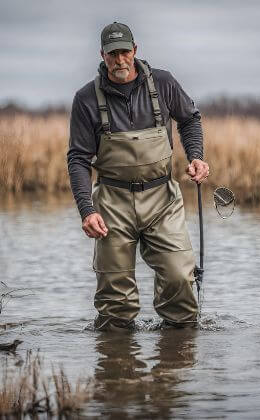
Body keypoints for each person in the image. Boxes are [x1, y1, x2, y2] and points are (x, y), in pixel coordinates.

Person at [67, 22, 209, 331]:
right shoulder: (86, 99)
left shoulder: (164, 83)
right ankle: (118, 370)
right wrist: (87, 210)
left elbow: (190, 119)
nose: (119, 61)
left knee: (179, 280)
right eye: (112, 54)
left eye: (124, 53)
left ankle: (176, 362)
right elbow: (78, 159)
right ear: (102, 55)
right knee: (115, 302)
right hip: (111, 204)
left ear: (136, 50)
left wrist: (196, 156)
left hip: (162, 200)